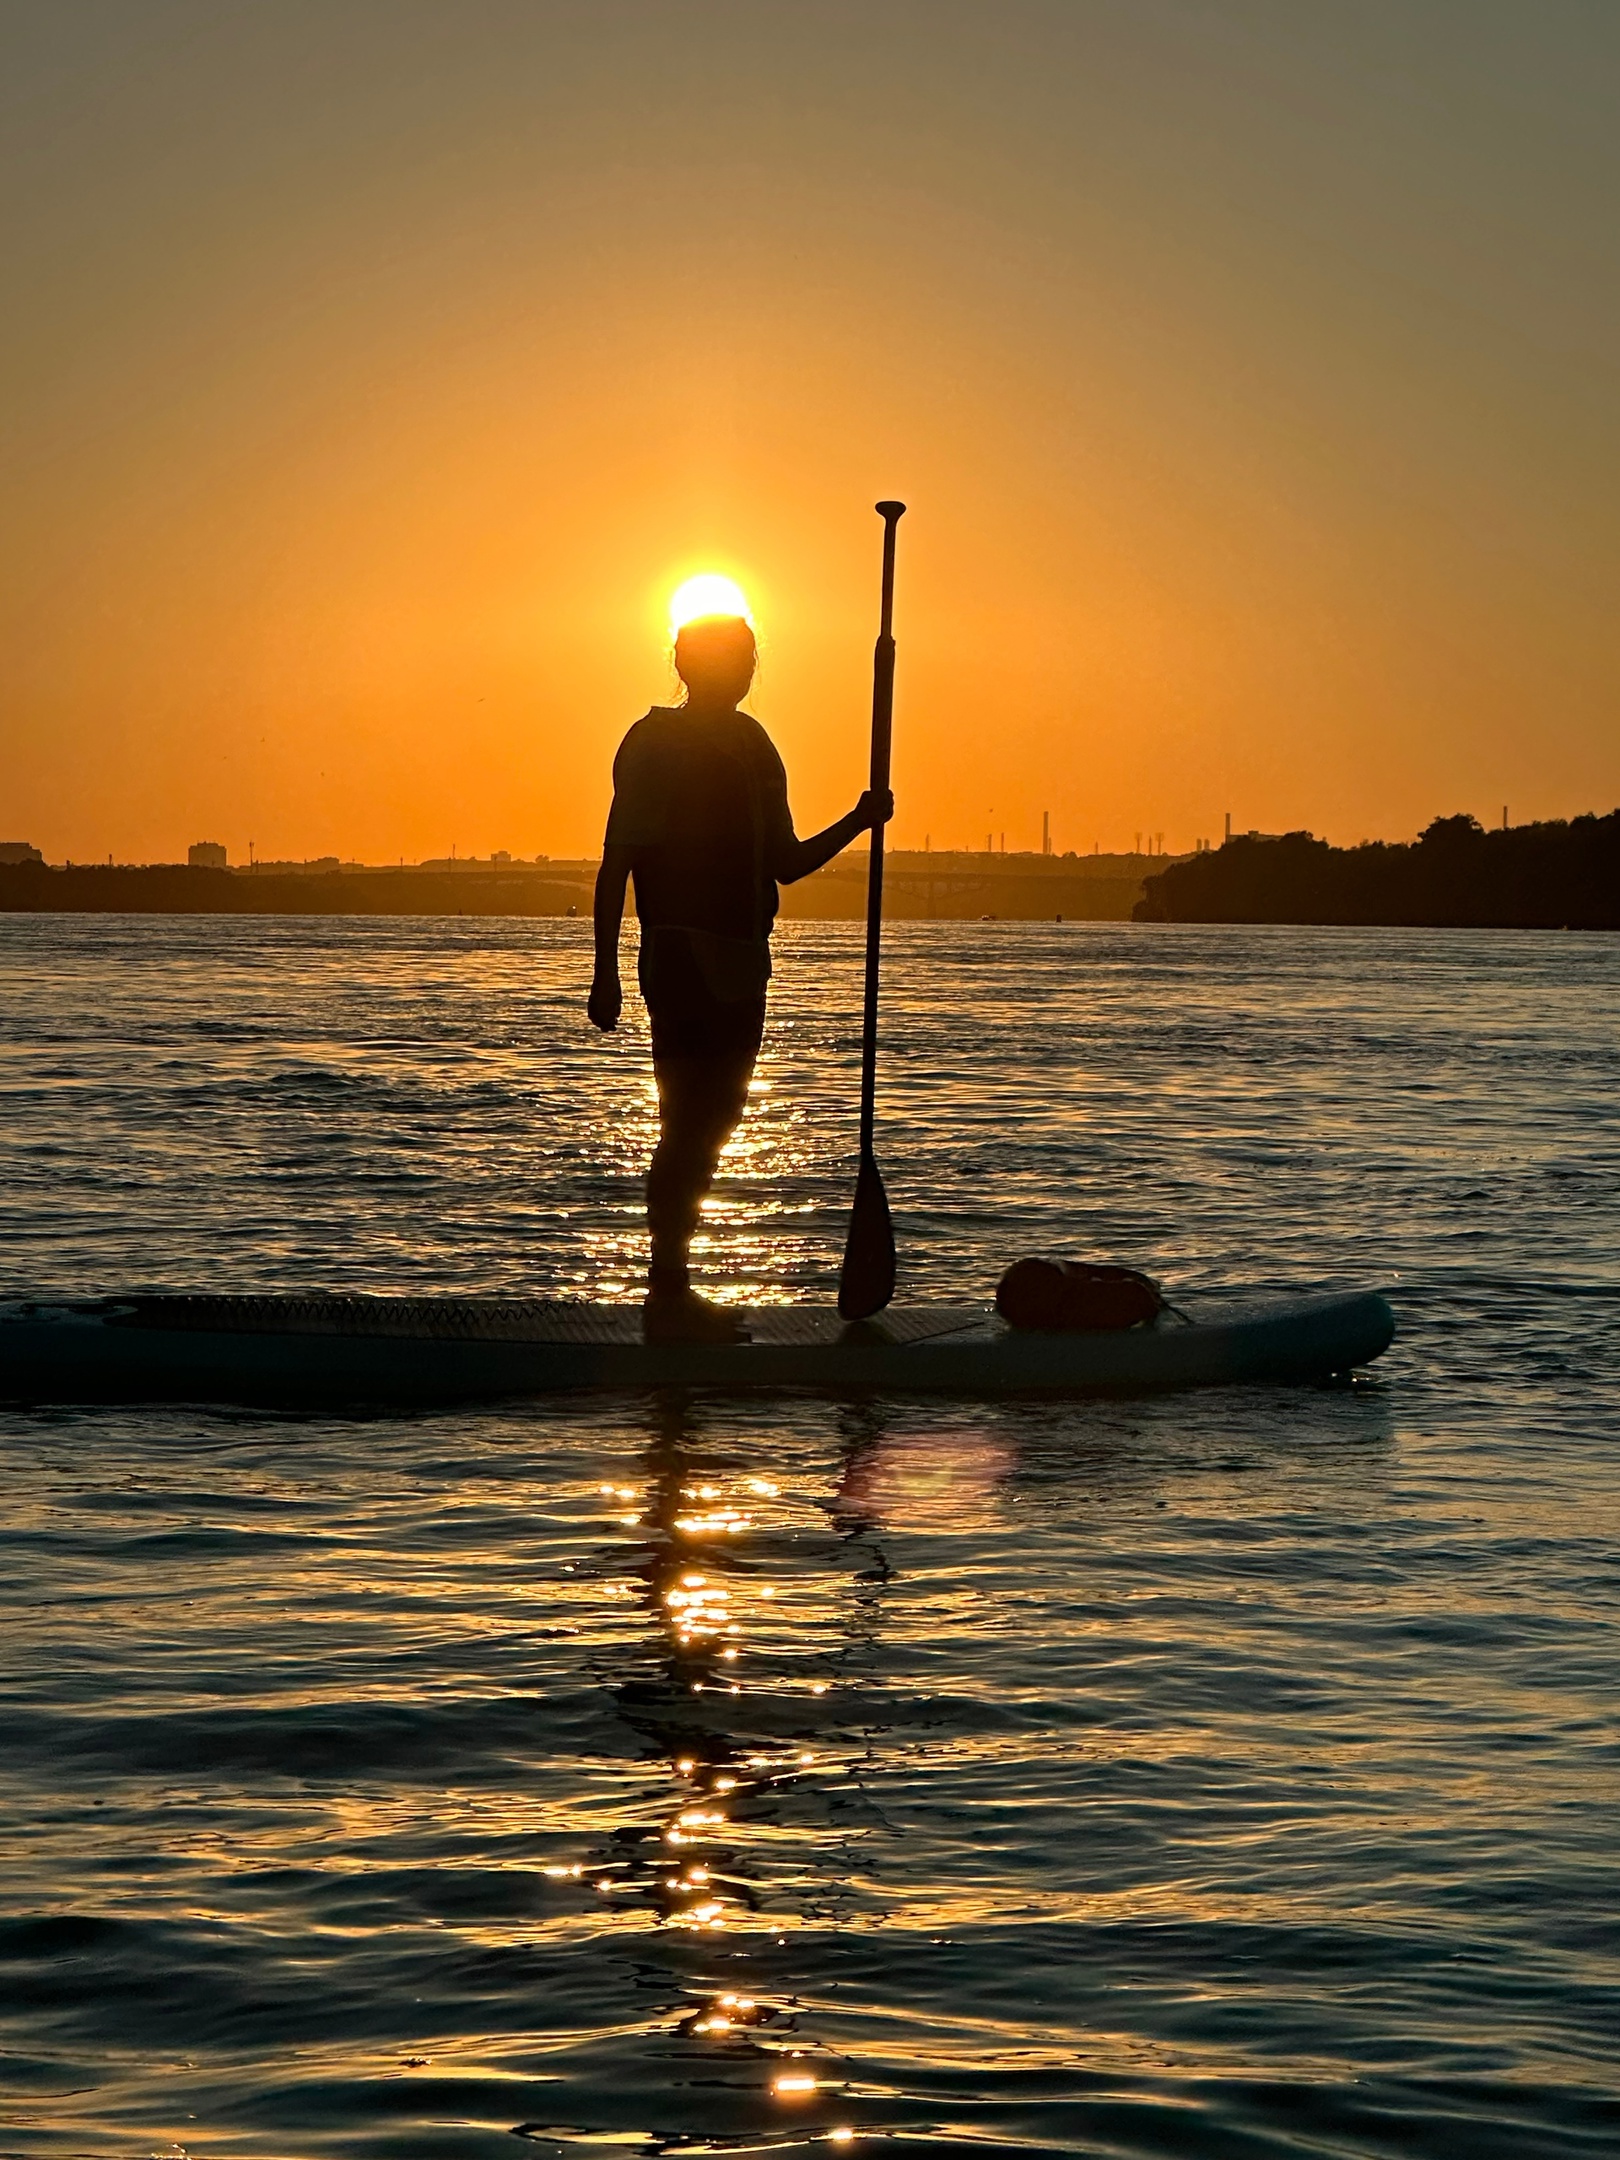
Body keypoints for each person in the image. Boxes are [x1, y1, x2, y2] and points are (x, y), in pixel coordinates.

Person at [589, 612, 891, 1341]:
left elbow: (783, 862)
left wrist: (859, 818)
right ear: (688, 666)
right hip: (683, 954)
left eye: (751, 656)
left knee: (717, 1123)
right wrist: (604, 972)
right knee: (685, 1123)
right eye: (730, 657)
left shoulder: (757, 747)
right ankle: (667, 1292)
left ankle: (674, 1288)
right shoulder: (653, 743)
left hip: (745, 959)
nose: (745, 668)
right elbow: (617, 864)